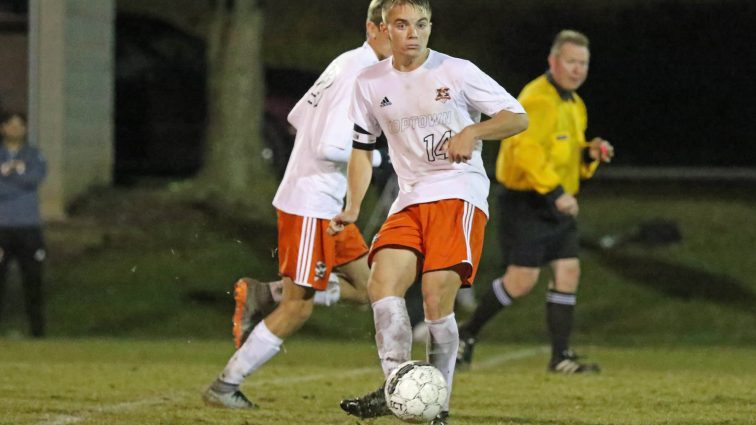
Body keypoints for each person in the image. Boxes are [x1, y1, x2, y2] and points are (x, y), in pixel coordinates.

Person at [330, 1, 528, 424]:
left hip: (458, 193)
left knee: (437, 297)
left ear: (430, 27)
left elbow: (517, 117)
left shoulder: (456, 71)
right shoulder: (369, 82)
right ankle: (397, 384)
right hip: (410, 198)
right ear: (384, 30)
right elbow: (362, 151)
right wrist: (352, 206)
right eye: (402, 25)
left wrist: (474, 130)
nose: (413, 33)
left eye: (421, 24)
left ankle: (437, 407)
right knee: (382, 285)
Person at [201, 0, 393, 408]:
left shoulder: (345, 63)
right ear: (372, 28)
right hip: (311, 205)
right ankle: (225, 385)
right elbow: (329, 144)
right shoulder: (358, 75)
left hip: (328, 206)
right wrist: (376, 157)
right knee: (298, 308)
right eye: (395, 27)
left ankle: (264, 292)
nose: (404, 37)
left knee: (369, 288)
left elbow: (294, 116)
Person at [457, 30, 614, 374]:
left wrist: (590, 153)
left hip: (556, 202)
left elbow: (566, 154)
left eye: (583, 63)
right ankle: (466, 335)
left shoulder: (574, 104)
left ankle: (560, 357)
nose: (577, 69)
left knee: (568, 272)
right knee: (521, 282)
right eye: (571, 62)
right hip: (527, 202)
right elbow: (525, 152)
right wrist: (556, 193)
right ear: (553, 62)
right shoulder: (537, 98)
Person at [0, 111, 47, 338]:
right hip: (1, 228)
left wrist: (9, 175)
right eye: (11, 125)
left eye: (20, 125)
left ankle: (38, 333)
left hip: (28, 228)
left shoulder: (34, 155)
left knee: (33, 279)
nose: (15, 129)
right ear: (3, 128)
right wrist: (17, 177)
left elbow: (35, 179)